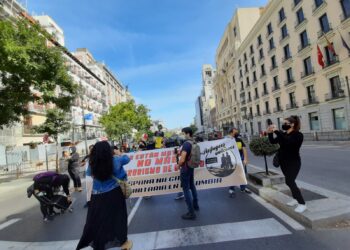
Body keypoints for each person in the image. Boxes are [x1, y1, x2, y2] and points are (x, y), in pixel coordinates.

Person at [77, 141, 132, 250]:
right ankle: (123, 241)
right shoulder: (116, 160)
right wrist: (118, 152)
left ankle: (99, 244)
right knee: (119, 218)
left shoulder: (92, 164)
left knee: (98, 220)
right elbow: (127, 158)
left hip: (97, 196)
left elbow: (90, 175)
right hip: (114, 194)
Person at [267, 116, 306, 213]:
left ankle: (302, 203)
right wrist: (270, 133)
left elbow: (288, 141)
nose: (283, 125)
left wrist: (277, 131)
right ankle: (295, 199)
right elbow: (273, 141)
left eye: (285, 123)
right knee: (289, 181)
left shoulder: (298, 135)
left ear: (292, 124)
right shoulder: (283, 133)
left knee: (290, 181)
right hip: (283, 162)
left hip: (294, 162)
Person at [177, 127, 199, 220]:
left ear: (187, 133)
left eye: (183, 133)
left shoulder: (186, 144)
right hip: (191, 167)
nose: (182, 135)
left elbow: (182, 159)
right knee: (192, 186)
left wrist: (178, 165)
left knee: (186, 189)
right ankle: (195, 205)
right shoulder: (193, 142)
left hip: (185, 168)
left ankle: (191, 212)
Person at [227, 128, 251, 195]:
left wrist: (245, 159)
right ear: (231, 133)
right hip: (232, 161)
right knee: (233, 175)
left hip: (240, 160)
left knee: (242, 174)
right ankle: (231, 189)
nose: (237, 133)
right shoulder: (228, 141)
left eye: (237, 132)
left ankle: (243, 188)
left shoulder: (239, 140)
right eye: (235, 132)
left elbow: (244, 149)